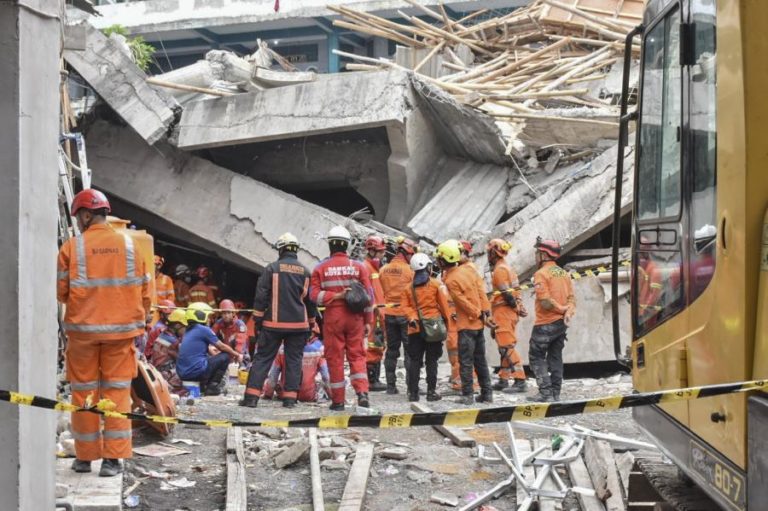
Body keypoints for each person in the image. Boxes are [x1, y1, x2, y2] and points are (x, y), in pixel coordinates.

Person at [57, 189, 151, 477]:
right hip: (121, 336)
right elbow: (146, 293)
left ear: (86, 215)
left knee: (83, 394)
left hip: (83, 335)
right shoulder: (133, 246)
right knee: (118, 394)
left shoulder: (73, 248)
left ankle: (85, 458)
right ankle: (112, 460)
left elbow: (62, 293)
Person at [240, 233, 318, 408]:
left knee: (263, 359)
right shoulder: (306, 272)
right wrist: (311, 323)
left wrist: (258, 321)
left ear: (281, 249)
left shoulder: (272, 269)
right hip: (299, 325)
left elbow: (261, 296)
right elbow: (311, 302)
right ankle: (290, 399)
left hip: (273, 325)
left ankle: (251, 397)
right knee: (294, 360)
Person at [309, 225, 374, 411]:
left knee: (335, 358)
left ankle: (338, 402)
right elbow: (369, 295)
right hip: (356, 318)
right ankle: (362, 394)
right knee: (357, 356)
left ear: (330, 245)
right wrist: (368, 320)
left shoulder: (320, 268)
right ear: (347, 245)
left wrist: (333, 297)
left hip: (333, 318)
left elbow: (313, 295)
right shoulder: (359, 267)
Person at [436, 239, 495, 405]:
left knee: (466, 362)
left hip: (467, 325)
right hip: (477, 325)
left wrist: (478, 314)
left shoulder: (450, 279)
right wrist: (486, 313)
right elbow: (481, 293)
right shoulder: (469, 270)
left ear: (443, 260)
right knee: (480, 360)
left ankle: (468, 395)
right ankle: (486, 394)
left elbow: (461, 301)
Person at [528, 237, 575, 403]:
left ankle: (545, 393)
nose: (535, 256)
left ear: (544, 254)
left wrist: (561, 309)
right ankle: (555, 392)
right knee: (555, 356)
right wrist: (568, 310)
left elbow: (545, 302)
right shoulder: (563, 273)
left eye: (537, 253)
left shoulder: (541, 274)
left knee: (536, 356)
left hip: (545, 323)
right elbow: (571, 298)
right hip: (560, 324)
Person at [400, 253, 451, 402]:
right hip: (433, 328)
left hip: (415, 329)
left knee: (415, 361)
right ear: (428, 268)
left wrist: (413, 318)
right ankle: (431, 393)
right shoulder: (436, 284)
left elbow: (405, 307)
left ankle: (413, 394)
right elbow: (444, 307)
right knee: (432, 362)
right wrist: (447, 325)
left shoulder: (408, 289)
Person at [486, 239, 528, 394]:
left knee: (506, 346)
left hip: (504, 311)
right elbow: (516, 291)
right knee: (503, 346)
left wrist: (516, 306)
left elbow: (507, 294)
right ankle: (504, 379)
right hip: (507, 312)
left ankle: (520, 380)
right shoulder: (508, 268)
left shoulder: (499, 270)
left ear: (493, 252)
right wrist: (519, 307)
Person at [176, 302, 243, 396]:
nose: (209, 319)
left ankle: (204, 385)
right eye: (208, 316)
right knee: (225, 356)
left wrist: (215, 357)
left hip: (182, 373)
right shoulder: (203, 329)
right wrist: (237, 355)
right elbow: (222, 346)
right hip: (195, 373)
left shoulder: (188, 330)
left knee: (210, 358)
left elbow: (203, 349)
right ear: (201, 315)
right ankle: (212, 387)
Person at [379, 238, 417, 394]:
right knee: (410, 351)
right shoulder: (410, 271)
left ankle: (390, 386)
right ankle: (411, 386)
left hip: (389, 314)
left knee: (391, 350)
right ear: (407, 253)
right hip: (405, 315)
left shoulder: (383, 270)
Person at [262, 326, 331, 402]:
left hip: (285, 395)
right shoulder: (319, 352)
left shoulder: (282, 350)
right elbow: (326, 377)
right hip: (308, 396)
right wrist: (332, 396)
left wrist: (268, 395)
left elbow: (273, 377)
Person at [362, 235, 387, 391]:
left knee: (378, 345)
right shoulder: (366, 268)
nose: (382, 255)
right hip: (373, 315)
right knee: (373, 346)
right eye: (379, 252)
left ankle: (374, 378)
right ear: (371, 251)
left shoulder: (374, 268)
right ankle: (371, 380)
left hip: (378, 313)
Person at [149, 308, 186, 395]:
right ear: (177, 325)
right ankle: (176, 392)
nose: (186, 330)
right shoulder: (173, 341)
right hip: (166, 376)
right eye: (185, 327)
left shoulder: (163, 335)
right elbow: (185, 359)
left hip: (158, 373)